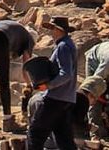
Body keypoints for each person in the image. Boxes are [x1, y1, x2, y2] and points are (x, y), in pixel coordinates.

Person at [28, 16, 78, 150]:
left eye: (52, 29)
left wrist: (48, 86)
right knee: (64, 138)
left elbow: (66, 73)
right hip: (67, 98)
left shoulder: (63, 46)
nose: (51, 32)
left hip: (55, 98)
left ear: (59, 30)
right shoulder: (69, 44)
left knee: (35, 133)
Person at [0, 18, 36, 127]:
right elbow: (26, 66)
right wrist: (29, 84)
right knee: (3, 81)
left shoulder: (16, 31)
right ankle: (8, 121)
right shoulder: (29, 39)